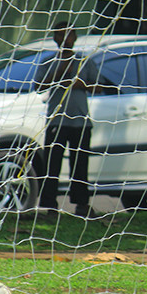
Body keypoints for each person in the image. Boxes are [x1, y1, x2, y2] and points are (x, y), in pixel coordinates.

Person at [35, 22, 96, 218]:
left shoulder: (84, 61)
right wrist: (59, 73)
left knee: (80, 165)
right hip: (56, 121)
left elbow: (98, 86)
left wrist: (82, 85)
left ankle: (81, 205)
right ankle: (50, 206)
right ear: (54, 38)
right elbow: (38, 86)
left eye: (68, 35)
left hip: (80, 122)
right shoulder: (49, 61)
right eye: (60, 35)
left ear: (75, 37)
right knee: (52, 164)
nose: (64, 39)